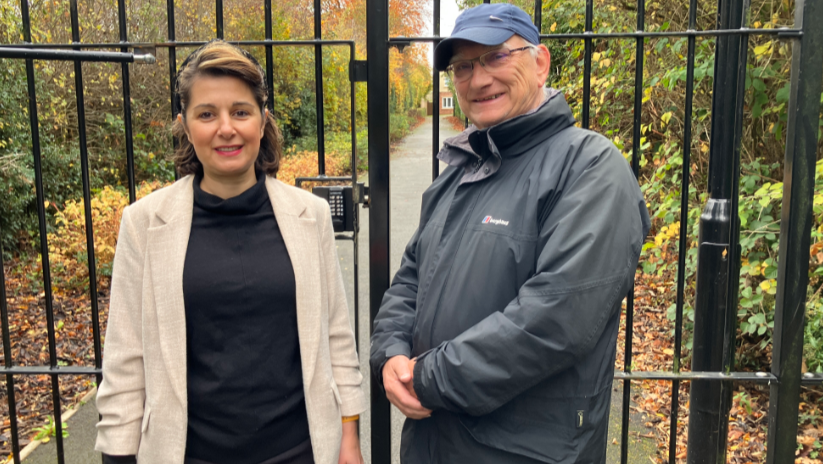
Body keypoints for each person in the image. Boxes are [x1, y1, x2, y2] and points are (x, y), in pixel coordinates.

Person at [370, 4, 651, 463]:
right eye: (463, 66)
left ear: (540, 63)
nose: (479, 80)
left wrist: (425, 378)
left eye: (496, 57)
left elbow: (557, 318)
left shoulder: (588, 167)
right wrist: (391, 355)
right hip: (432, 444)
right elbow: (410, 277)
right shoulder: (457, 174)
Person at [95, 40, 366, 464]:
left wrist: (350, 436)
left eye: (241, 111)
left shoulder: (309, 216)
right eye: (207, 114)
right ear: (185, 124)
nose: (226, 128)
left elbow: (336, 336)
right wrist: (118, 454)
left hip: (300, 451)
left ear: (261, 121)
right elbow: (125, 359)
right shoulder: (144, 224)